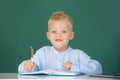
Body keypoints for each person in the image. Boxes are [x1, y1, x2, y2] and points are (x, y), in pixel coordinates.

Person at [18, 11, 102, 75]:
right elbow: (22, 69)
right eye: (54, 32)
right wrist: (27, 66)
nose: (58, 35)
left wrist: (75, 67)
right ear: (48, 35)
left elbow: (98, 69)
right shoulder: (42, 53)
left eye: (64, 31)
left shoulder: (78, 55)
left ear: (71, 35)